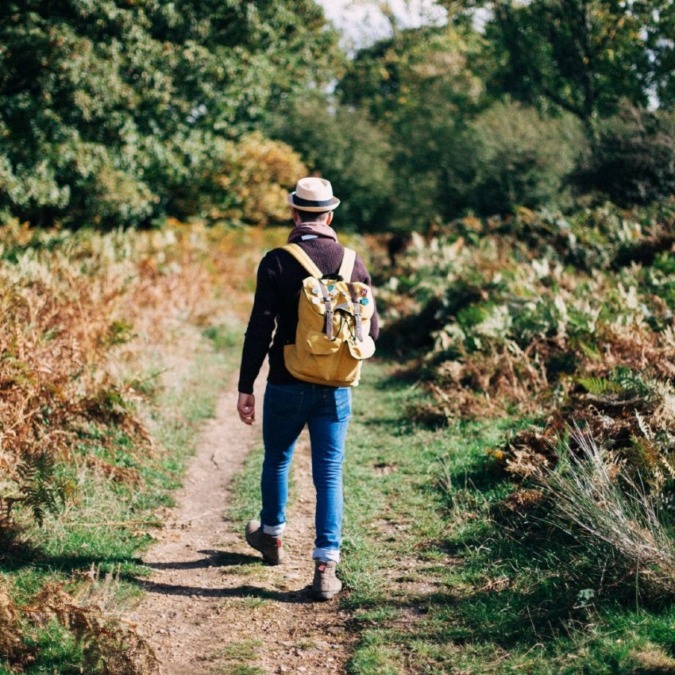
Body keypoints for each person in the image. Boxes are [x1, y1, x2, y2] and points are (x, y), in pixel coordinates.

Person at [236, 176, 379, 601]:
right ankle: (325, 567)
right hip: (336, 386)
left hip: (285, 380)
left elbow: (259, 328)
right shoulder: (354, 262)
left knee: (277, 458)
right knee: (329, 473)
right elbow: (372, 328)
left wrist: (246, 385)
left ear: (295, 214)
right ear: (330, 215)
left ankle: (271, 537)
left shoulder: (277, 260)